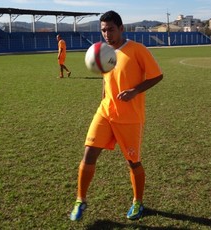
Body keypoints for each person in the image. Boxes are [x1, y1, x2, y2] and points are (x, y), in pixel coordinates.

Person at [69, 10, 163, 221]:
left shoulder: (137, 50)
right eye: (103, 30)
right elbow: (106, 81)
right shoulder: (102, 52)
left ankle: (138, 201)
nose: (107, 34)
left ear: (121, 28)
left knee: (133, 162)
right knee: (89, 154)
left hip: (129, 117)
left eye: (111, 29)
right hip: (105, 112)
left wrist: (135, 91)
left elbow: (157, 75)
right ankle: (80, 200)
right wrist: (103, 100)